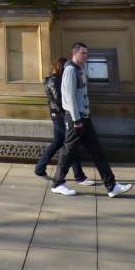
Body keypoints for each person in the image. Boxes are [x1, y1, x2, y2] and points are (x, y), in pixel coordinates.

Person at [51, 42, 132, 198]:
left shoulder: (79, 69)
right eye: (83, 53)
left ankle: (112, 186)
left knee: (97, 152)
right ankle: (57, 183)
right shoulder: (70, 70)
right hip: (76, 118)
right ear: (75, 53)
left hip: (84, 117)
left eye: (87, 53)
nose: (86, 56)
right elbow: (70, 98)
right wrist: (76, 119)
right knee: (69, 151)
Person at [34, 57, 94, 186]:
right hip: (60, 116)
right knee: (71, 144)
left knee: (59, 143)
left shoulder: (56, 80)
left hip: (59, 115)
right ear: (61, 67)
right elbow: (60, 100)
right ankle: (79, 176)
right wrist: (70, 113)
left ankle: (40, 168)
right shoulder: (54, 81)